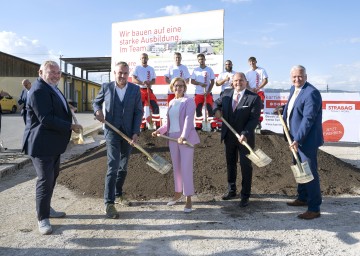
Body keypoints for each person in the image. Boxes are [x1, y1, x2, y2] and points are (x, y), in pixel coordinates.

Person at [22, 60, 83, 235]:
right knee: (45, 180)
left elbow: (54, 105)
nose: (56, 75)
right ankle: (42, 218)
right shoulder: (39, 89)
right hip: (41, 143)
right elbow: (46, 119)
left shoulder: (51, 86)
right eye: (51, 72)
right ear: (41, 72)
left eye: (58, 72)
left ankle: (46, 208)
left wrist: (66, 106)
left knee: (52, 176)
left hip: (52, 143)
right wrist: (70, 126)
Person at [93, 61, 143, 219]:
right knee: (113, 166)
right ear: (114, 73)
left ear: (129, 74)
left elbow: (138, 112)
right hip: (112, 132)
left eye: (125, 73)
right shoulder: (106, 87)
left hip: (128, 133)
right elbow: (96, 103)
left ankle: (119, 194)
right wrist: (98, 111)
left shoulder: (135, 89)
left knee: (123, 166)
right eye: (120, 73)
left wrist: (136, 132)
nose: (122, 76)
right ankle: (109, 202)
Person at [151, 77, 200, 213]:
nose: (178, 88)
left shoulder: (189, 101)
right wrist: (159, 130)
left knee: (186, 168)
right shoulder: (171, 102)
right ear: (172, 88)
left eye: (181, 86)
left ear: (184, 88)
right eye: (176, 86)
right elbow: (169, 123)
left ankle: (188, 198)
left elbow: (188, 120)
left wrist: (183, 136)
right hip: (172, 138)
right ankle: (177, 193)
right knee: (177, 168)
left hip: (185, 139)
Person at [213, 72, 261, 207]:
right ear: (232, 82)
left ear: (246, 82)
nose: (238, 83)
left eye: (241, 80)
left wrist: (245, 133)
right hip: (229, 136)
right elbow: (214, 103)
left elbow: (253, 120)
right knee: (230, 164)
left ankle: (245, 194)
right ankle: (231, 190)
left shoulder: (253, 98)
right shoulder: (226, 94)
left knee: (246, 166)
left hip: (245, 139)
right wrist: (216, 109)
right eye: (235, 81)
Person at [281, 65, 323, 220]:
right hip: (295, 139)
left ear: (306, 76)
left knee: (309, 173)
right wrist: (283, 108)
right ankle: (302, 197)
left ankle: (314, 208)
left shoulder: (312, 93)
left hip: (306, 141)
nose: (297, 79)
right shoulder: (294, 89)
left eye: (300, 76)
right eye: (294, 77)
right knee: (300, 170)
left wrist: (298, 139)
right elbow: (294, 107)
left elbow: (309, 118)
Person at [132, 53, 160, 130]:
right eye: (142, 58)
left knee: (155, 107)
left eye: (145, 58)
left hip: (149, 90)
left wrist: (149, 83)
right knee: (140, 109)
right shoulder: (137, 68)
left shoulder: (151, 69)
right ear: (140, 59)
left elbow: (154, 81)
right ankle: (142, 126)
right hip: (140, 91)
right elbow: (133, 79)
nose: (144, 59)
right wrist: (142, 82)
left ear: (148, 59)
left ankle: (157, 126)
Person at [191, 53, 217, 130]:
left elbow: (212, 82)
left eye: (202, 59)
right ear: (198, 61)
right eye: (199, 59)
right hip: (198, 93)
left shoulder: (209, 69)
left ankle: (213, 126)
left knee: (210, 109)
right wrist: (199, 83)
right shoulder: (196, 70)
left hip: (208, 93)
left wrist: (208, 91)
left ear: (205, 59)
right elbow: (192, 81)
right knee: (198, 109)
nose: (201, 61)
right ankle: (199, 126)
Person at [245, 57, 268, 134]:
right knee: (250, 109)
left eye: (253, 61)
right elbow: (246, 83)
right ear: (249, 63)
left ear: (256, 62)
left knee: (260, 108)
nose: (252, 63)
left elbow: (265, 80)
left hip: (259, 92)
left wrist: (258, 88)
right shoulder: (247, 72)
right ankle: (251, 124)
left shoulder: (262, 70)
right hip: (251, 93)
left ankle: (258, 123)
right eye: (250, 62)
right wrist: (251, 89)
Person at [215, 60, 236, 129]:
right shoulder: (222, 74)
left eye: (229, 64)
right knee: (223, 109)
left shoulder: (235, 73)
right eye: (226, 64)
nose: (228, 65)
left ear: (232, 65)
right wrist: (225, 79)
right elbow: (217, 84)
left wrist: (234, 84)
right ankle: (221, 125)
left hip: (234, 92)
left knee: (233, 109)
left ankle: (233, 125)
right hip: (224, 93)